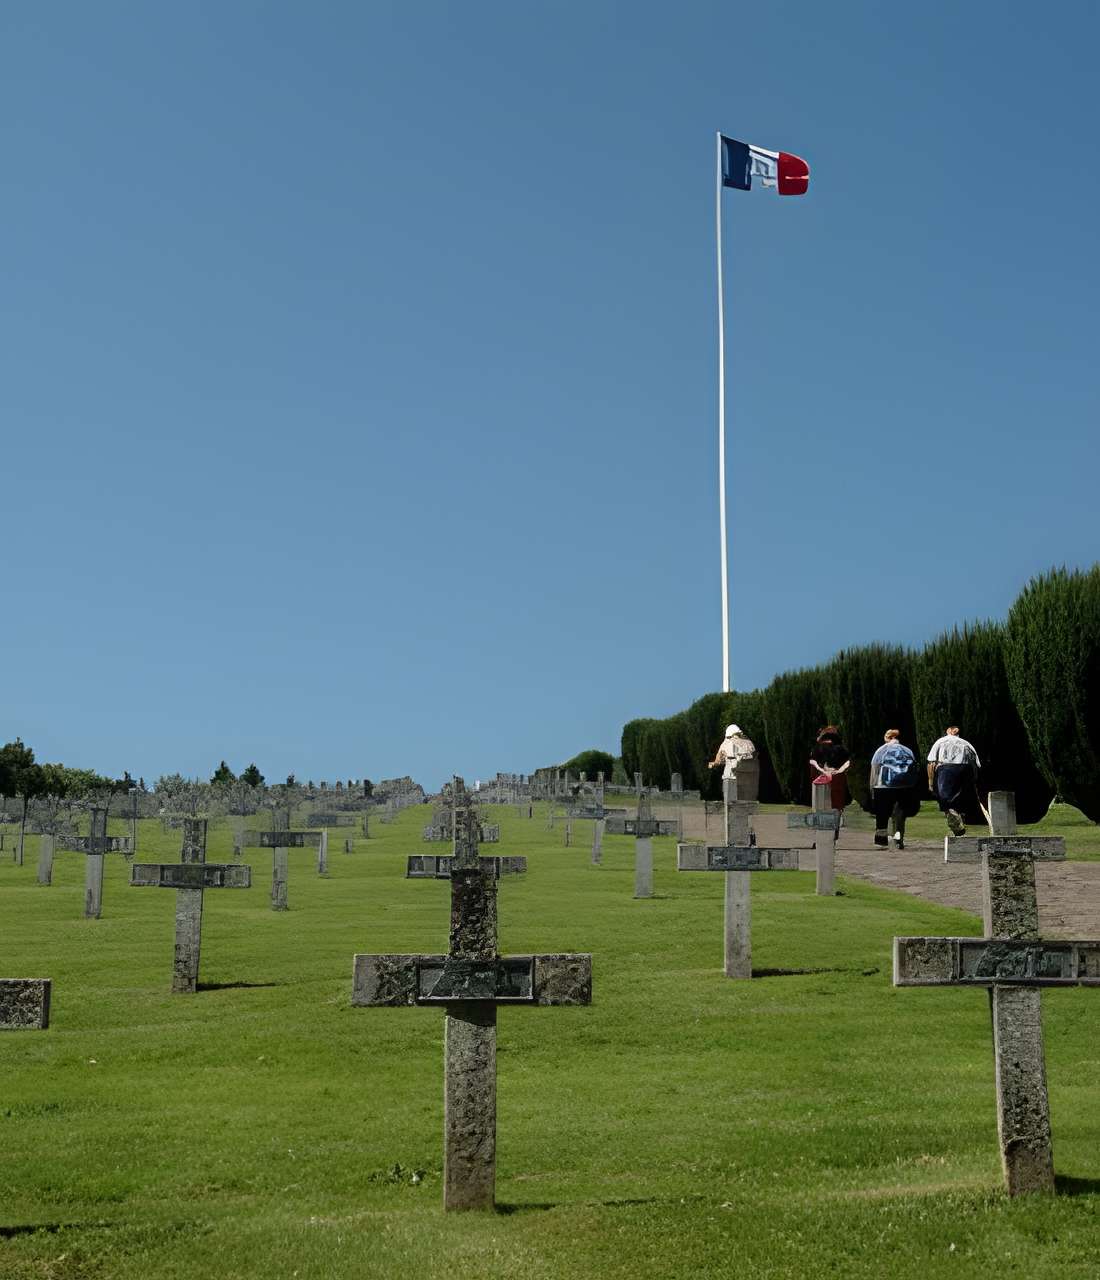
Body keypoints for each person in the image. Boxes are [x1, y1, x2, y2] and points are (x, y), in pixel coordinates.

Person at [868, 729, 920, 849]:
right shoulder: (907, 751)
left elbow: (874, 769)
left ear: (887, 738)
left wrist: (872, 788)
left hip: (883, 786)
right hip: (904, 786)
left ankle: (881, 840)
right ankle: (898, 839)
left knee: (882, 813)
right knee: (899, 814)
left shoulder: (881, 750)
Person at [926, 726, 981, 836]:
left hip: (946, 769)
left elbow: (931, 763)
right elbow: (975, 765)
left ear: (948, 731)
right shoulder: (966, 743)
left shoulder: (940, 741)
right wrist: (974, 780)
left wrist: (931, 782)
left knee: (946, 801)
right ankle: (959, 823)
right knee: (960, 801)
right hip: (965, 769)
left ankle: (956, 825)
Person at [808, 726, 851, 814]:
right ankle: (837, 815)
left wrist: (823, 770)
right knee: (836, 798)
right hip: (835, 775)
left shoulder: (819, 748)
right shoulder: (841, 749)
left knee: (827, 798)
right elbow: (848, 761)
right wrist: (840, 770)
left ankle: (826, 814)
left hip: (828, 776)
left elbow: (813, 761)